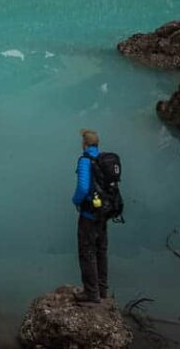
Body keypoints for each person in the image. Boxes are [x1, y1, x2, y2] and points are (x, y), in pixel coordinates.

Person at [72, 128, 109, 305]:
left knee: (87, 252)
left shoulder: (85, 161)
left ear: (84, 144)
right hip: (103, 214)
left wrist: (75, 201)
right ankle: (102, 291)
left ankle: (91, 294)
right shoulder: (104, 160)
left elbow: (83, 188)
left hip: (89, 214)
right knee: (101, 251)